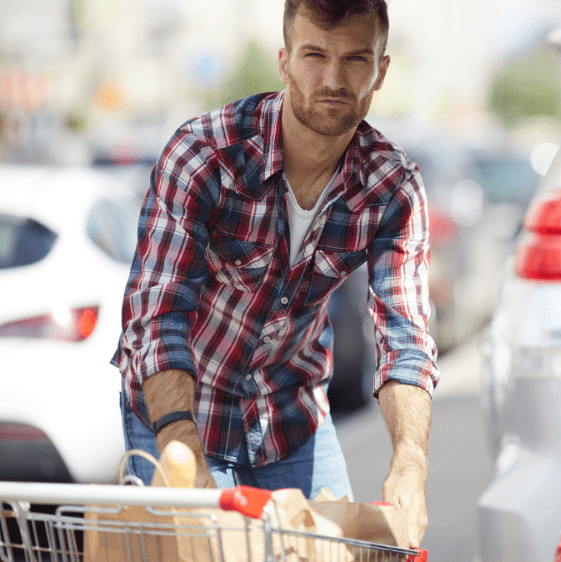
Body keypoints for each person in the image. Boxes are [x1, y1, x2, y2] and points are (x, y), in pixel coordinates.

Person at [113, 0, 436, 547]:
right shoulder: (204, 155)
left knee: (343, 554)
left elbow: (404, 336)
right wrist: (183, 452)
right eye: (315, 55)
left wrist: (410, 460)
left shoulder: (393, 188)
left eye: (356, 59)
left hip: (292, 419)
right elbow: (157, 316)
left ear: (381, 70)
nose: (333, 79)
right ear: (285, 62)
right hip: (180, 413)